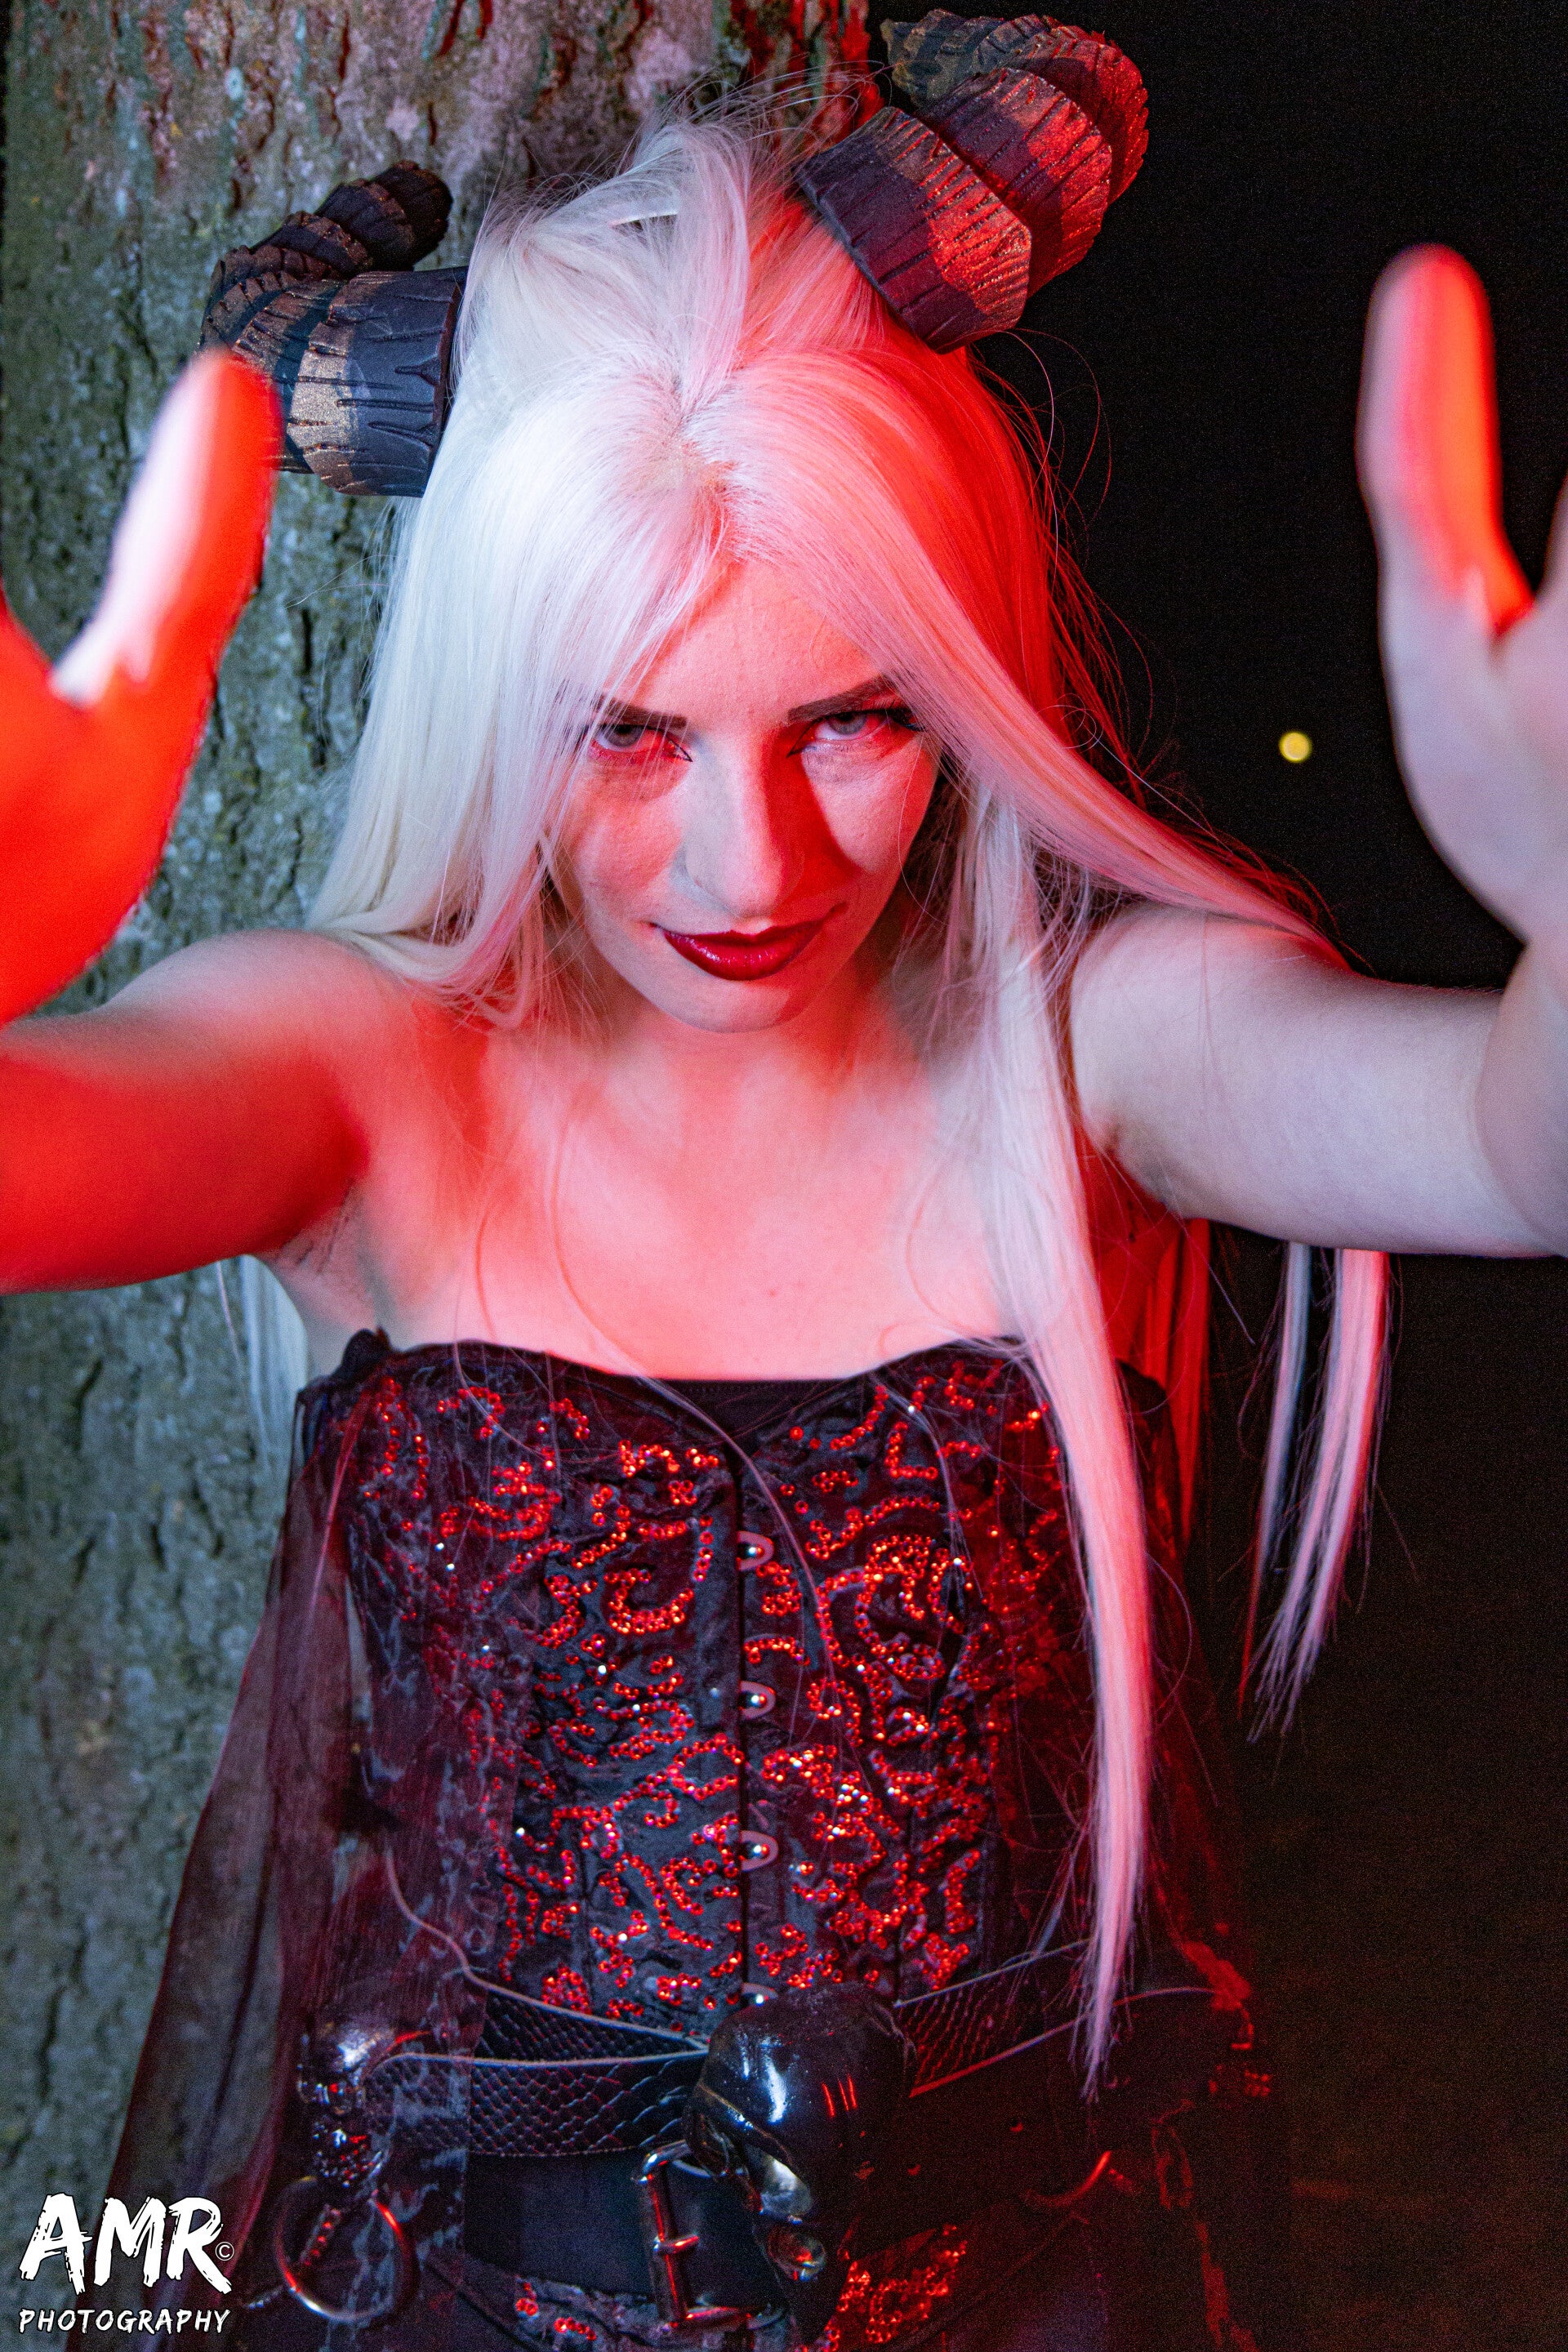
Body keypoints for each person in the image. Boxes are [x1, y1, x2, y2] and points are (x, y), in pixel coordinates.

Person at [7, 35, 1568, 2351]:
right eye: (628, 732)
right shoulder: (368, 1075)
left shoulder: (1090, 1057)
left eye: (854, 715)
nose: (753, 865)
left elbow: (1512, 1148)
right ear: (491, 699)